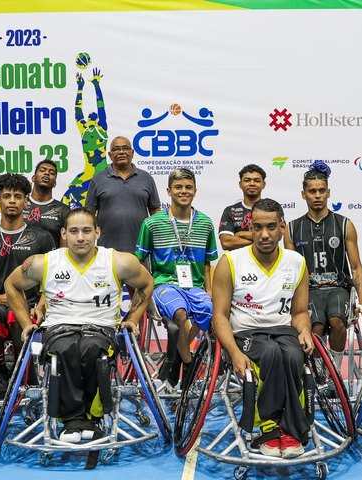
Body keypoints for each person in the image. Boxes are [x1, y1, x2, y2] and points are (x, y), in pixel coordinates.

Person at [4, 208, 154, 442]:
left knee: (92, 348)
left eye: (86, 231)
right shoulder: (44, 263)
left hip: (101, 328)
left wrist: (133, 318)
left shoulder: (119, 261)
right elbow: (11, 285)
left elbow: (146, 284)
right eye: (73, 231)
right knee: (65, 348)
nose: (80, 237)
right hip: (59, 328)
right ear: (63, 234)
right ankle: (72, 420)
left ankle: (92, 418)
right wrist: (25, 323)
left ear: (97, 232)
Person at [212, 198, 314, 458]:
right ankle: (271, 427)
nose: (265, 235)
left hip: (283, 330)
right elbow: (220, 316)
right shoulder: (230, 262)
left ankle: (287, 430)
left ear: (282, 227)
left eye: (271, 227)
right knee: (270, 354)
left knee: (293, 355)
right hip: (246, 333)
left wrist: (304, 330)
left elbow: (300, 312)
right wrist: (234, 352)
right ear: (250, 227)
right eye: (257, 227)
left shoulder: (296, 262)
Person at [0, 174, 56, 398]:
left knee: (18, 314)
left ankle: (24, 368)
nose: (12, 201)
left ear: (26, 201)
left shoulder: (42, 238)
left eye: (18, 196)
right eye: (6, 196)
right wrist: (1, 298)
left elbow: (52, 281)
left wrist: (42, 307)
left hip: (32, 305)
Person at [284, 161, 362, 371]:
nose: (317, 195)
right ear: (303, 194)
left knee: (336, 321)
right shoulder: (291, 229)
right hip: (309, 290)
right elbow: (290, 271)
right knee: (314, 327)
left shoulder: (344, 224)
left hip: (338, 288)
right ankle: (318, 371)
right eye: (312, 191)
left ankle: (333, 369)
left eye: (321, 191)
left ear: (328, 193)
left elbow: (355, 267)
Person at [135, 168, 218, 387]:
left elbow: (208, 263)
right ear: (168, 191)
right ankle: (188, 361)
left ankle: (179, 356)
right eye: (178, 187)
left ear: (195, 191)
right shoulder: (151, 223)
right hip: (164, 285)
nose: (184, 191)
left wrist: (209, 291)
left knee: (207, 310)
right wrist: (145, 291)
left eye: (188, 187)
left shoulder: (206, 223)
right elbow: (140, 261)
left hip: (195, 285)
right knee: (180, 314)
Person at [85, 136, 161, 253]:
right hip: (107, 249)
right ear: (110, 155)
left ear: (132, 153)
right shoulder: (98, 179)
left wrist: (157, 239)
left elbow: (155, 211)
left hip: (141, 248)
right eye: (116, 149)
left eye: (125, 148)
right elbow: (88, 214)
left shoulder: (146, 178)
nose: (121, 152)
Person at [62, 67, 109, 207]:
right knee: (68, 195)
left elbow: (101, 106)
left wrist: (96, 85)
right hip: (88, 172)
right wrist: (80, 87)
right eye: (90, 115)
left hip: (102, 173)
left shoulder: (101, 129)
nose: (92, 115)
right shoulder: (84, 129)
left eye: (94, 115)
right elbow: (77, 109)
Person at [218, 164, 267, 251]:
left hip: (265, 262)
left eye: (257, 180)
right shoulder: (230, 211)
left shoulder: (272, 209)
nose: (252, 183)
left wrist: (239, 234)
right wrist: (259, 240)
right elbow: (226, 243)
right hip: (236, 263)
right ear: (240, 184)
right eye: (247, 180)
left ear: (263, 184)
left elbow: (275, 237)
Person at [23, 160, 68, 247]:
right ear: (33, 178)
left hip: (51, 260)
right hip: (22, 260)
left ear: (54, 183)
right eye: (42, 170)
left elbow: (64, 250)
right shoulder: (20, 204)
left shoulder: (64, 210)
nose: (47, 173)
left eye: (52, 172)